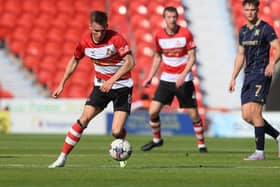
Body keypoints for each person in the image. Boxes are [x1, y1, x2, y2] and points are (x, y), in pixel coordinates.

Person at [48, 10, 135, 168]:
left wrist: (112, 80)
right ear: (90, 27)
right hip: (101, 86)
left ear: (107, 27)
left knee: (116, 131)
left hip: (122, 87)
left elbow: (130, 62)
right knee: (84, 119)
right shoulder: (84, 42)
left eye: (102, 31)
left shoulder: (116, 39)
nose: (99, 34)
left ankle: (121, 147)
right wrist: (62, 83)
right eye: (96, 31)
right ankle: (62, 158)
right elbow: (74, 60)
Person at [140, 6, 207, 153]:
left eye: (174, 17)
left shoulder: (185, 34)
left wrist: (183, 76)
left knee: (193, 114)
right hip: (166, 80)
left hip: (184, 80)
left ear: (177, 18)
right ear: (164, 19)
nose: (172, 20)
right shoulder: (159, 36)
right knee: (153, 112)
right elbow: (157, 56)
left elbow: (192, 57)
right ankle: (157, 140)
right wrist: (150, 77)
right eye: (169, 17)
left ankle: (201, 144)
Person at [229, 0, 280, 160]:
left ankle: (259, 152)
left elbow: (278, 48)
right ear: (243, 11)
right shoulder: (243, 31)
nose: (250, 12)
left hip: (261, 73)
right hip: (248, 74)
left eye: (252, 9)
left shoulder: (266, 29)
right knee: (246, 116)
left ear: (257, 10)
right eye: (247, 10)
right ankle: (278, 136)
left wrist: (272, 63)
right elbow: (240, 55)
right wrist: (233, 77)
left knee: (255, 112)